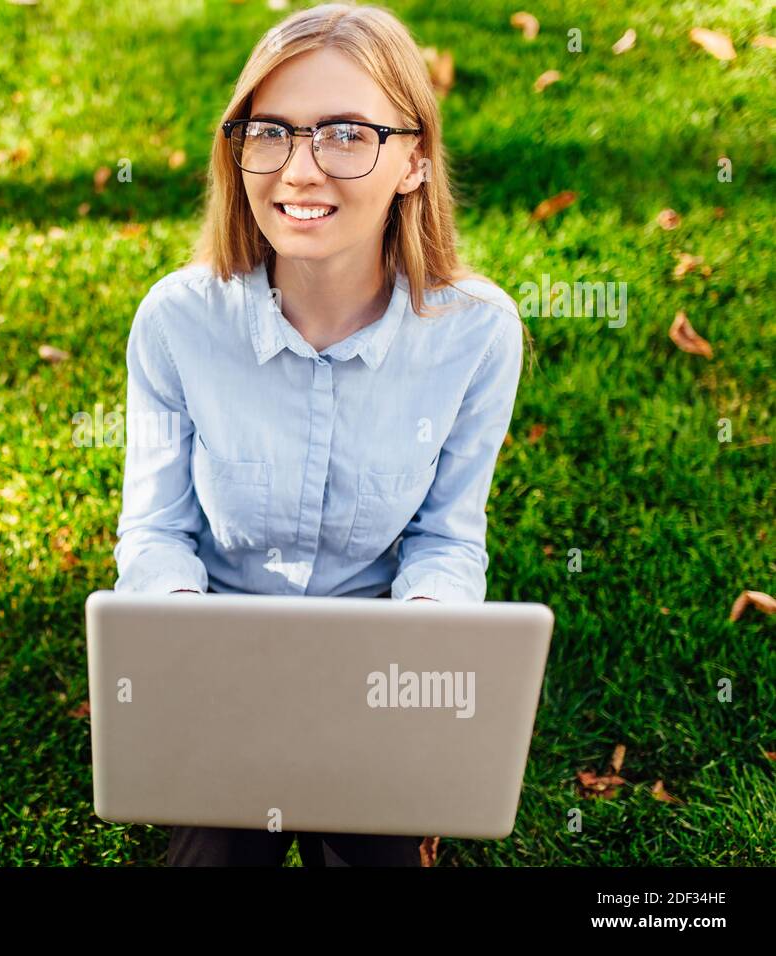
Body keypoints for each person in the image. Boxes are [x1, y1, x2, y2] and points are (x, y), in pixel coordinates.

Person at [111, 3, 530, 866]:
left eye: (346, 134)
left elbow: (446, 536)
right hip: (216, 669)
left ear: (414, 158)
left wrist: (425, 634)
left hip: (381, 673)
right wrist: (185, 634)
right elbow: (158, 530)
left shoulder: (477, 333)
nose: (300, 171)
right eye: (271, 133)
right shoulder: (177, 321)